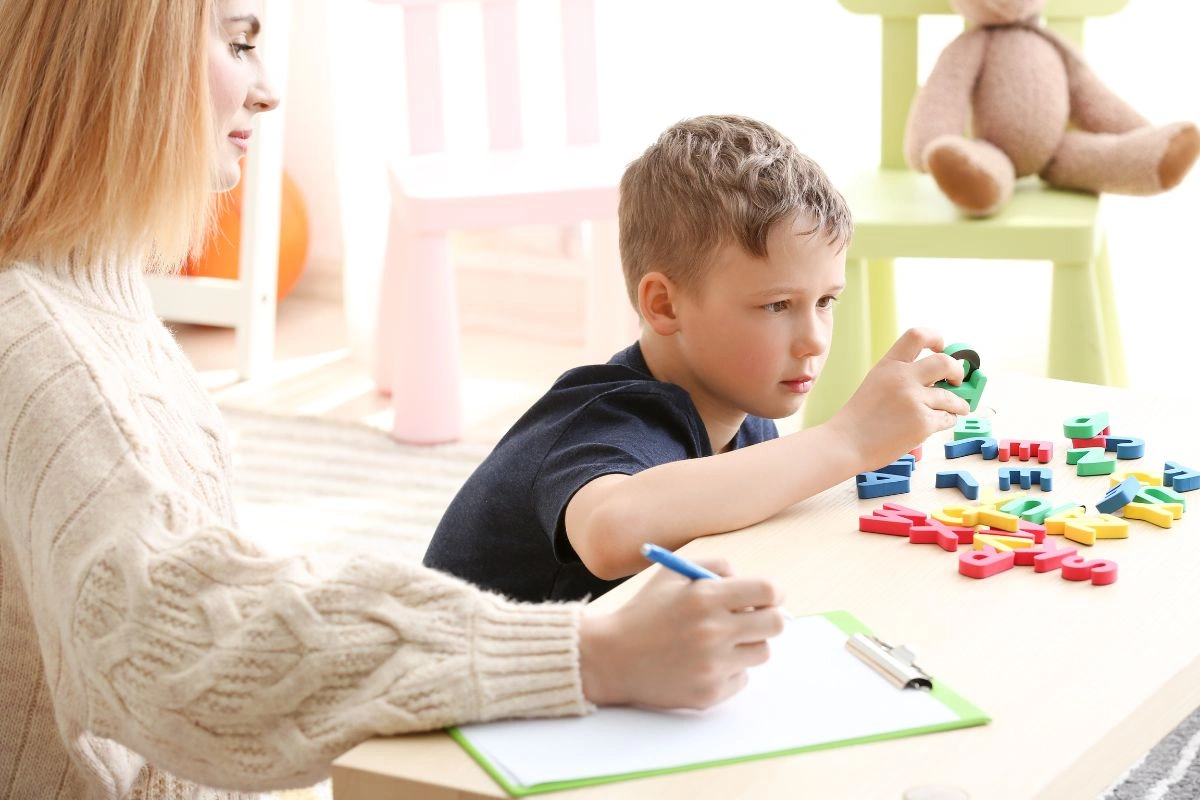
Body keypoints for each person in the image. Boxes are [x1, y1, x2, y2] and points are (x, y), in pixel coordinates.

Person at [0, 3, 786, 797]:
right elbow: (187, 647)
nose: (268, 90)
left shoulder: (92, 298)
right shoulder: (41, 347)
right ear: (118, 57)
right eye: (239, 44)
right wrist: (592, 653)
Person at [424, 115, 971, 604]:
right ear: (665, 305)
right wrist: (848, 440)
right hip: (471, 675)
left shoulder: (744, 410)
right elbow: (611, 532)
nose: (813, 340)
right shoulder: (608, 419)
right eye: (776, 305)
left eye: (825, 301)